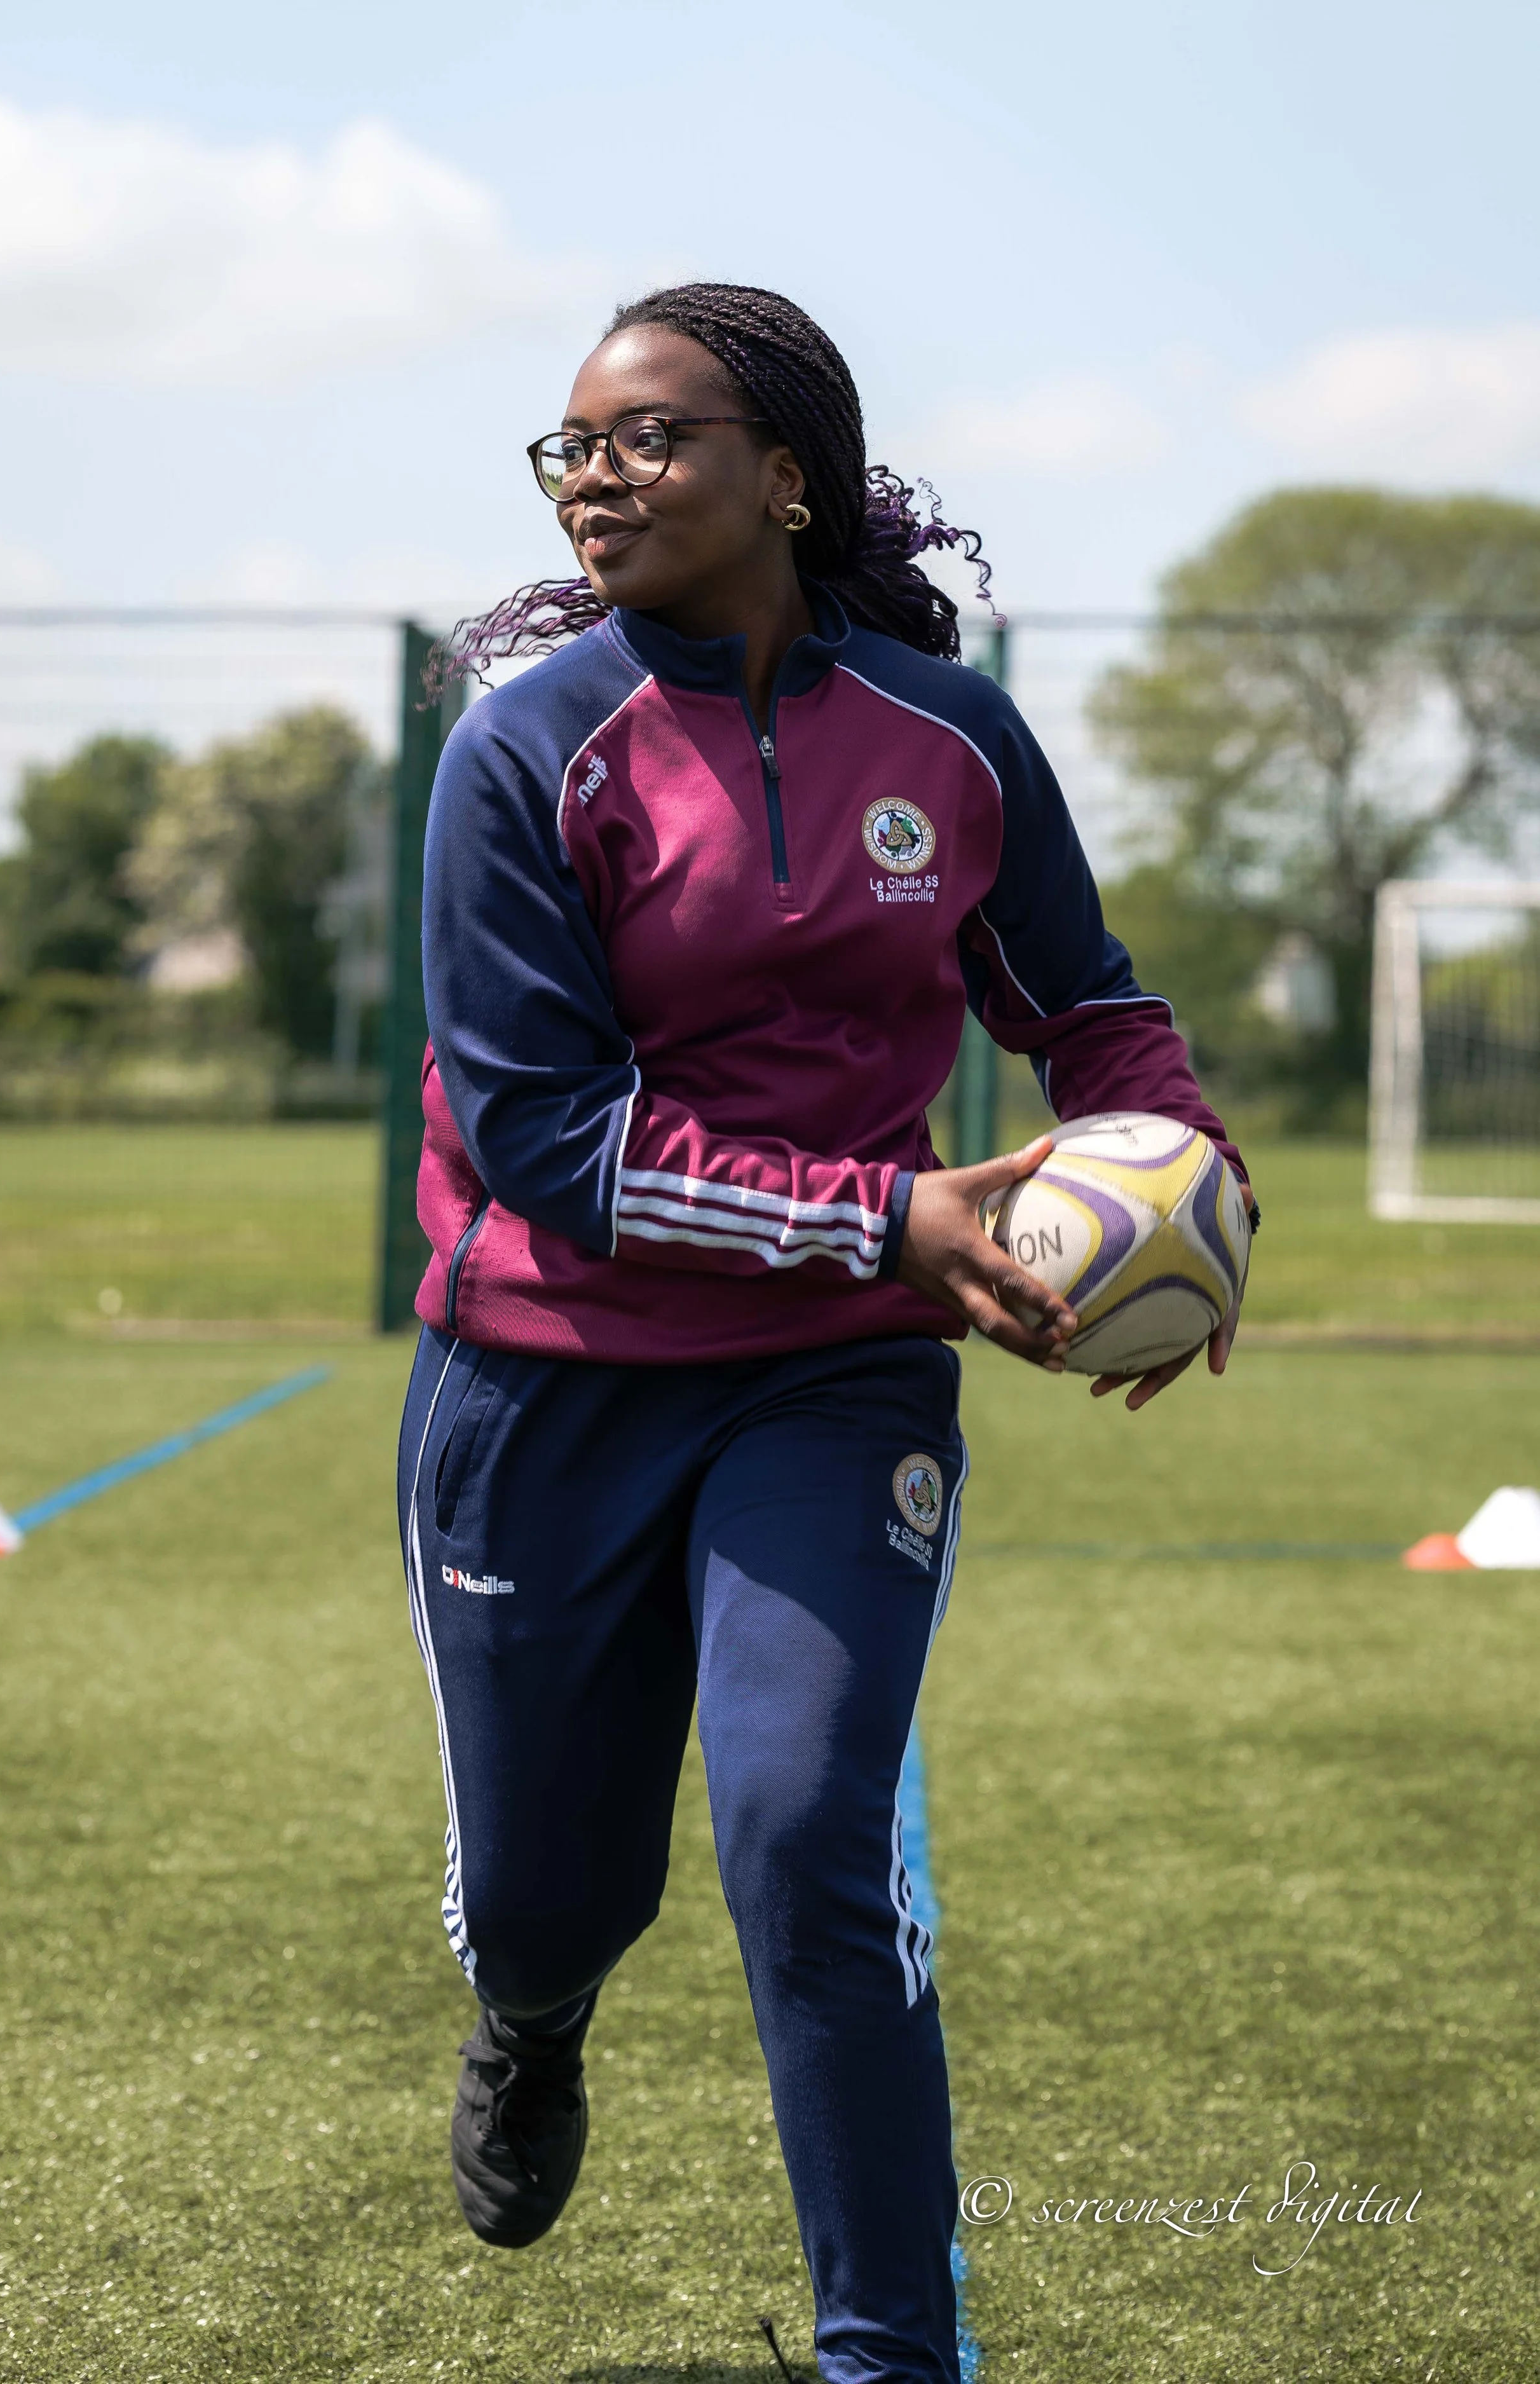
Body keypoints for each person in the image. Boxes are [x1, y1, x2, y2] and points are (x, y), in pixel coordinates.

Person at [397, 282, 1255, 2384]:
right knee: (544, 1896)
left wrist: (1190, 1175)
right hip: (545, 1376)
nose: (597, 475)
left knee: (802, 1828)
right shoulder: (523, 753)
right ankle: (533, 2017)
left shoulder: (948, 741)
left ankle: (889, 2355)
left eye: (647, 436)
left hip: (833, 1374)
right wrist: (891, 1207)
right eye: (571, 447)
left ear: (786, 473)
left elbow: (1086, 1004)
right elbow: (543, 1142)